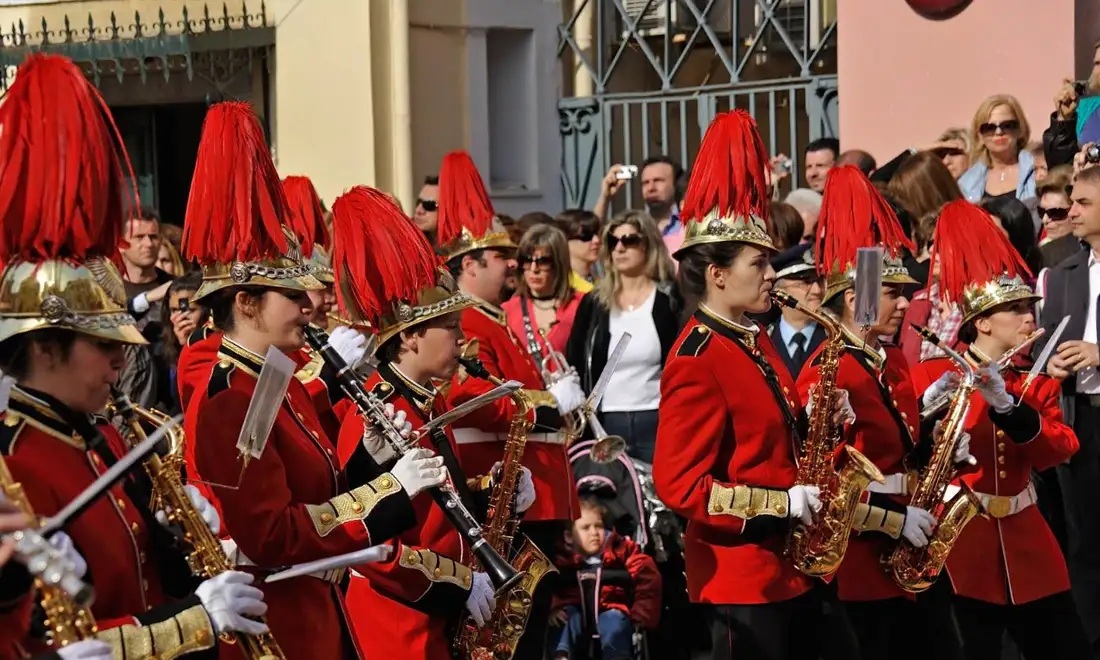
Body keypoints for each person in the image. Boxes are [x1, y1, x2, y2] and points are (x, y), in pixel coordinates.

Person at [0, 54, 268, 659]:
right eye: (103, 348)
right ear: (44, 346)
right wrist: (195, 619)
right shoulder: (12, 464)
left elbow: (144, 576)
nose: (120, 366)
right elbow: (52, 644)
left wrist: (185, 543)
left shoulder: (105, 439)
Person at [181, 101, 444, 660]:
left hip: (317, 614)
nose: (309, 306)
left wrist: (369, 464)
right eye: (293, 297)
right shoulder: (235, 398)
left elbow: (314, 491)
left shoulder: (279, 377)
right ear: (247, 303)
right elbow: (271, 536)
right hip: (282, 626)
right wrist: (390, 490)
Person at [653, 110, 852, 660]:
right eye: (759, 263)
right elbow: (680, 485)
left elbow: (769, 441)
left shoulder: (751, 336)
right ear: (717, 274)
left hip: (789, 566)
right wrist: (781, 504)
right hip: (740, 579)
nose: (772, 276)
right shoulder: (697, 356)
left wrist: (820, 421)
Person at [323, 185, 535, 658]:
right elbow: (370, 544)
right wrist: (459, 584)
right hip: (399, 627)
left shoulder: (428, 402)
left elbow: (437, 501)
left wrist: (491, 487)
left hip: (435, 621)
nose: (463, 338)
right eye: (452, 328)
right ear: (414, 336)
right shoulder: (371, 413)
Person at [910, 200, 1090, 660]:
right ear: (983, 322)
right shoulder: (933, 376)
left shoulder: (1033, 383)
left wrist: (1010, 407)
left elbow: (1059, 450)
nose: (1030, 317)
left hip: (1028, 538)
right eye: (1015, 308)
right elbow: (905, 449)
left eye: (1030, 306)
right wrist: (929, 415)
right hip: (961, 541)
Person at [802, 165, 969, 660]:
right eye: (893, 293)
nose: (905, 302)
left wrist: (940, 444)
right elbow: (824, 484)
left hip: (911, 541)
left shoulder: (892, 359)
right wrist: (892, 523)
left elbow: (901, 447)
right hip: (861, 551)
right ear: (856, 298)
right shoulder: (825, 371)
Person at [437, 150, 587, 659]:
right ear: (469, 263)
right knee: (516, 634)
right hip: (509, 484)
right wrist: (549, 402)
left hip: (535, 485)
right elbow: (470, 398)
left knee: (535, 627)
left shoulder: (494, 317)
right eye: (502, 257)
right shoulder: (466, 324)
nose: (514, 264)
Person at [1033, 163, 1100, 649]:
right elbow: (1041, 348)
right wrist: (1051, 364)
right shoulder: (1060, 273)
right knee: (1085, 543)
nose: (1069, 211)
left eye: (1082, 203)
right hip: (1083, 418)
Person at [565, 210, 681, 464]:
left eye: (629, 240)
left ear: (648, 245)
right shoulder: (594, 302)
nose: (620, 248)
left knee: (657, 500)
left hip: (657, 418)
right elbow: (574, 356)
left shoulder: (670, 300)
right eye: (612, 242)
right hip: (605, 421)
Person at [550, 496, 661, 660]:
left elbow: (648, 578)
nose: (594, 532)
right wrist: (552, 608)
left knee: (615, 620)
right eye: (586, 528)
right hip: (574, 611)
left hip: (611, 608)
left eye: (599, 526)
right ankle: (561, 655)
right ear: (568, 536)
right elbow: (543, 583)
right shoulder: (561, 558)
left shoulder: (620, 550)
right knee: (567, 618)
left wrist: (641, 615)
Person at [503, 224, 586, 358]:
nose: (534, 269)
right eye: (527, 260)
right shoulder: (508, 311)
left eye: (543, 261)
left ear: (559, 264)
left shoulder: (582, 305)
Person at [767, 244, 825, 379]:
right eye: (805, 282)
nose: (817, 290)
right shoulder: (764, 341)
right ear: (780, 293)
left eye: (819, 281)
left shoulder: (834, 340)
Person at [554, 209, 601, 291]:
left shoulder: (598, 281)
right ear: (565, 240)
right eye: (587, 236)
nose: (597, 240)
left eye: (597, 234)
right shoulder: (563, 287)